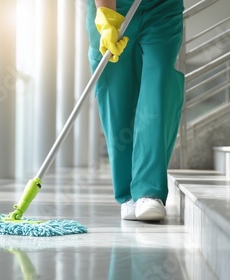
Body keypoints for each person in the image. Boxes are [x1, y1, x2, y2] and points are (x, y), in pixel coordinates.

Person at [86, 0, 185, 221]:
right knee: (116, 93)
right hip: (114, 7)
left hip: (163, 8)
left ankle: (149, 192)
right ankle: (128, 195)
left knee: (159, 84)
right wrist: (106, 19)